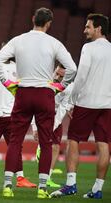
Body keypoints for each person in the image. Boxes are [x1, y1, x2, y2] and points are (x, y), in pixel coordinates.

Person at [0, 7, 77, 198]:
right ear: (49, 24)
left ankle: (7, 186)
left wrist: (7, 83)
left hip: (22, 92)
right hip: (45, 94)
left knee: (15, 141)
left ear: (33, 19)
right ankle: (42, 188)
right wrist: (59, 87)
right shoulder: (54, 43)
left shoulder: (18, 40)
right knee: (46, 143)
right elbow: (72, 68)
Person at [51, 13, 111, 199]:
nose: (85, 30)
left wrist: (71, 101)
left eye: (88, 27)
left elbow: (81, 75)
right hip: (107, 103)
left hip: (86, 102)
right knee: (103, 144)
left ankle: (70, 184)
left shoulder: (89, 47)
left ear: (98, 28)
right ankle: (97, 189)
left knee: (73, 140)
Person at [0, 58, 36, 188]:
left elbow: (21, 91)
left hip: (11, 115)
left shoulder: (18, 68)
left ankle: (20, 178)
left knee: (16, 146)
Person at [32, 64, 74, 188]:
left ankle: (48, 178)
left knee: (55, 146)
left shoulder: (69, 88)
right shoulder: (44, 80)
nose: (56, 77)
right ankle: (40, 147)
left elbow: (62, 109)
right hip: (41, 113)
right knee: (47, 145)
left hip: (55, 116)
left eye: (61, 76)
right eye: (56, 73)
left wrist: (52, 127)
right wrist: (35, 128)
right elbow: (35, 105)